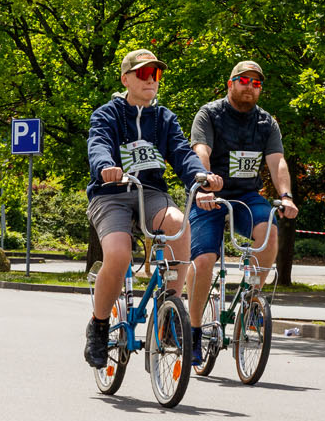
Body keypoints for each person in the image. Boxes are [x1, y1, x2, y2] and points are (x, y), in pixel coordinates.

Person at [83, 49, 221, 368]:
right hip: (111, 193)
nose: (150, 80)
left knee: (179, 225)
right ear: (126, 79)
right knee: (118, 255)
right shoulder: (108, 114)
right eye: (143, 74)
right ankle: (99, 325)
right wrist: (106, 165)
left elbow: (182, 153)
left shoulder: (164, 118)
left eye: (155, 75)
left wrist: (199, 175)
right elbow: (99, 143)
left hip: (151, 193)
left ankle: (168, 313)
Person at [185, 59, 299, 364]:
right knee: (204, 260)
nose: (250, 87)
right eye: (244, 81)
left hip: (247, 194)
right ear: (230, 84)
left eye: (256, 83)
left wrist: (286, 196)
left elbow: (276, 162)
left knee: (269, 232)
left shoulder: (266, 123)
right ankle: (194, 332)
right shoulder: (210, 114)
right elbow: (201, 151)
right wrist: (206, 187)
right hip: (210, 194)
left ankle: (251, 301)